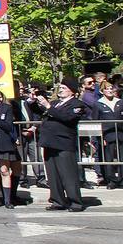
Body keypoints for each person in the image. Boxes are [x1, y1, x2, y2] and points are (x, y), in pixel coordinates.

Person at [33, 78, 88, 212]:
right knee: (53, 175)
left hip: (63, 143)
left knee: (68, 174)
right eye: (61, 88)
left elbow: (66, 118)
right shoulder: (55, 103)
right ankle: (57, 200)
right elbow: (40, 112)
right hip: (49, 142)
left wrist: (48, 106)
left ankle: (75, 201)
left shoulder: (77, 104)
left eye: (64, 88)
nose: (61, 90)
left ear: (72, 92)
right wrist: (35, 101)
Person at [96, 82, 123, 188]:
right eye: (107, 89)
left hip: (121, 133)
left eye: (111, 88)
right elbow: (95, 121)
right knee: (109, 158)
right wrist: (99, 137)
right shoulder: (98, 104)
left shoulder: (120, 102)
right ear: (102, 91)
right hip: (107, 135)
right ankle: (111, 180)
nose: (110, 90)